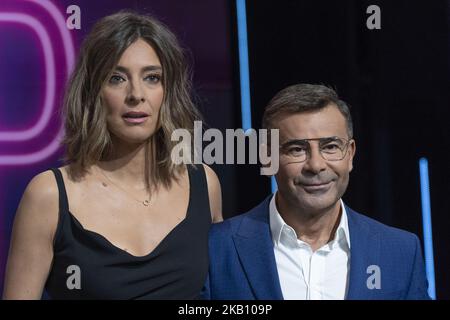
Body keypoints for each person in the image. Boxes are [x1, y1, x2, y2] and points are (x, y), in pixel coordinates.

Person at [3, 11, 222, 300]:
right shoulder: (49, 196)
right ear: (94, 91)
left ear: (167, 92)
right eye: (117, 78)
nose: (136, 94)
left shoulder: (203, 183)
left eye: (152, 78)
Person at [202, 84, 429, 300]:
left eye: (330, 147)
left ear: (350, 154)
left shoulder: (401, 253)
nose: (316, 165)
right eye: (297, 149)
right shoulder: (216, 248)